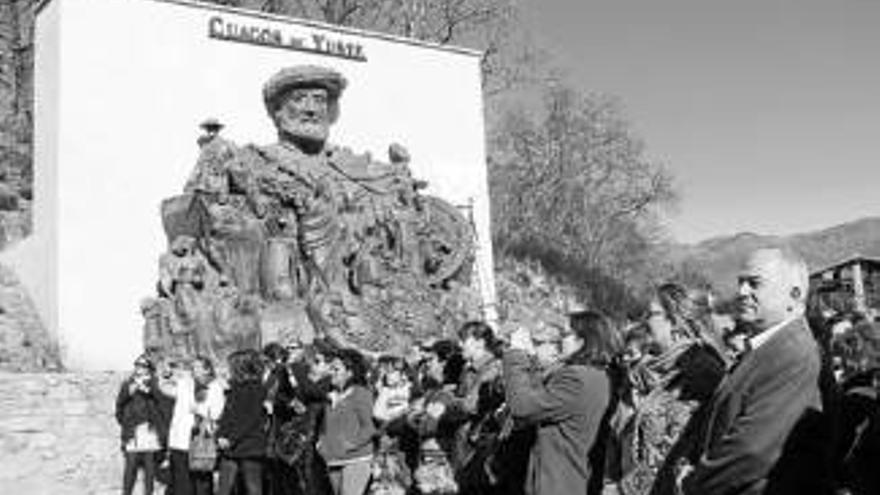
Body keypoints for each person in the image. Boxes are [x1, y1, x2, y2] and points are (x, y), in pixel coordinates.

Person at [680, 247, 827, 494]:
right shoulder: (767, 346)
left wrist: (694, 483)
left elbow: (752, 450)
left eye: (754, 283)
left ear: (794, 294)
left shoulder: (793, 353)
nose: (742, 292)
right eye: (741, 283)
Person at [616, 283, 726, 495]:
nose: (645, 321)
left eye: (652, 314)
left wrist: (622, 490)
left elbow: (673, 452)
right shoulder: (663, 368)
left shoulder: (699, 373)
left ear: (675, 320)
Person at [503, 310, 614, 495]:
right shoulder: (594, 374)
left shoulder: (576, 378)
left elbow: (522, 407)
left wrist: (516, 354)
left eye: (566, 335)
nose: (560, 340)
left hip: (558, 483)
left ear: (582, 341)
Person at [318, 348, 377, 495]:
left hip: (356, 459)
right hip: (333, 459)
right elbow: (326, 426)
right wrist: (321, 443)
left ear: (350, 372)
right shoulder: (330, 396)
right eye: (331, 369)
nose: (331, 372)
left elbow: (370, 427)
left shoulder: (361, 394)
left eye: (336, 369)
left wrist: (349, 444)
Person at [165, 355, 225, 495]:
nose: (194, 369)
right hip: (180, 440)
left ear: (207, 370)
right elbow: (166, 390)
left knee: (202, 483)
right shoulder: (184, 384)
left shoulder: (214, 387)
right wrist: (167, 375)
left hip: (201, 440)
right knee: (182, 482)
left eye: (198, 367)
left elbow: (217, 412)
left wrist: (198, 409)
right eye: (193, 366)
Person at [217, 349, 268, 495]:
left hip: (250, 445)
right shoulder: (234, 388)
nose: (229, 369)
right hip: (230, 448)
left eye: (231, 366)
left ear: (241, 367)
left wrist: (231, 438)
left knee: (253, 488)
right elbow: (227, 416)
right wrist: (220, 435)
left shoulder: (256, 388)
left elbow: (250, 420)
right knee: (223, 489)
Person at [116, 354, 165, 495]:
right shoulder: (127, 383)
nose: (139, 368)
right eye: (137, 365)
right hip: (133, 431)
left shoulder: (155, 383)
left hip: (149, 430)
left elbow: (161, 402)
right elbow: (119, 406)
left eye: (143, 366)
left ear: (149, 369)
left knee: (149, 470)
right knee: (130, 467)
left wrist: (149, 390)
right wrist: (126, 421)